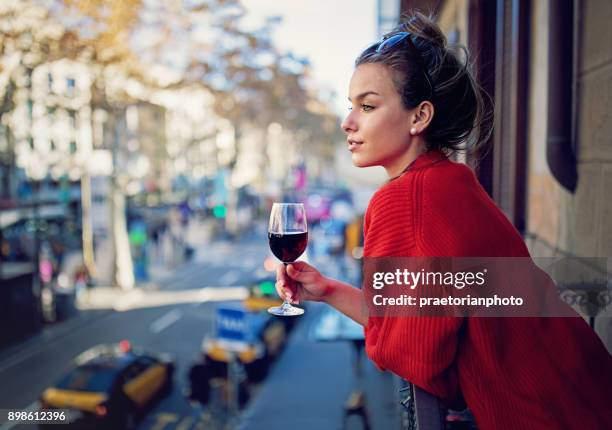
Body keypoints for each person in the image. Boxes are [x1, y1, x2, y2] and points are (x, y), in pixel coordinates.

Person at [275, 12, 612, 429]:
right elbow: (413, 320)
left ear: (419, 117)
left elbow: (414, 357)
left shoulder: (404, 199)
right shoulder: (451, 182)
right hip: (589, 389)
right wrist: (326, 290)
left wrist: (390, 342)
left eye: (368, 106)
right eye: (351, 106)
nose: (348, 121)